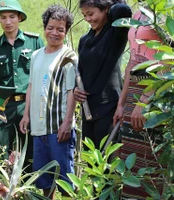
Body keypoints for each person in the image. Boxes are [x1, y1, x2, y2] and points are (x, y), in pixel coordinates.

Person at [19, 5, 77, 199]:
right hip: (38, 128)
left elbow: (72, 92)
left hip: (58, 128)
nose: (54, 33)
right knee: (44, 179)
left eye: (60, 29)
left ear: (66, 32)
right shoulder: (36, 56)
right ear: (44, 27)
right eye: (51, 27)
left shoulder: (68, 57)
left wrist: (67, 123)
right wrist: (26, 115)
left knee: (66, 181)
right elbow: (31, 86)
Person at [0, 0, 44, 173]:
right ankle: (4, 190)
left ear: (19, 18)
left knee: (31, 151)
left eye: (12, 17)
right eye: (3, 17)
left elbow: (44, 74)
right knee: (1, 152)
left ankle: (29, 192)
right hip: (4, 107)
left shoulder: (34, 42)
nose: (7, 21)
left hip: (28, 105)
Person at [113, 9, 164, 199]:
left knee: (152, 158)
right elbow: (131, 63)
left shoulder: (165, 10)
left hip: (156, 90)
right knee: (130, 156)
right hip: (133, 89)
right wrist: (122, 102)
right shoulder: (136, 14)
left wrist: (144, 101)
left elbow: (170, 59)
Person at [74, 0, 132, 149]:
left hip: (109, 107)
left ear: (106, 9)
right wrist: (76, 90)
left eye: (91, 14)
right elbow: (81, 71)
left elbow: (123, 10)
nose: (88, 19)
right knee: (91, 161)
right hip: (88, 110)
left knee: (106, 162)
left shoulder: (115, 32)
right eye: (84, 15)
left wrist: (110, 3)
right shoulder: (85, 40)